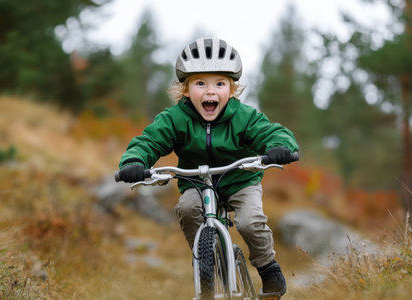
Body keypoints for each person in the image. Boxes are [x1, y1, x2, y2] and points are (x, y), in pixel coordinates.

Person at [118, 37, 299, 296]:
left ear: (232, 89)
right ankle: (205, 260)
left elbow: (270, 132)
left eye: (220, 83)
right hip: (197, 183)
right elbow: (149, 141)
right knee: (187, 208)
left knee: (250, 222)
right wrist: (134, 161)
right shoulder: (174, 119)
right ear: (185, 89)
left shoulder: (244, 116)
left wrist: (279, 147)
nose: (210, 91)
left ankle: (268, 267)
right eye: (200, 83)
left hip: (240, 180)